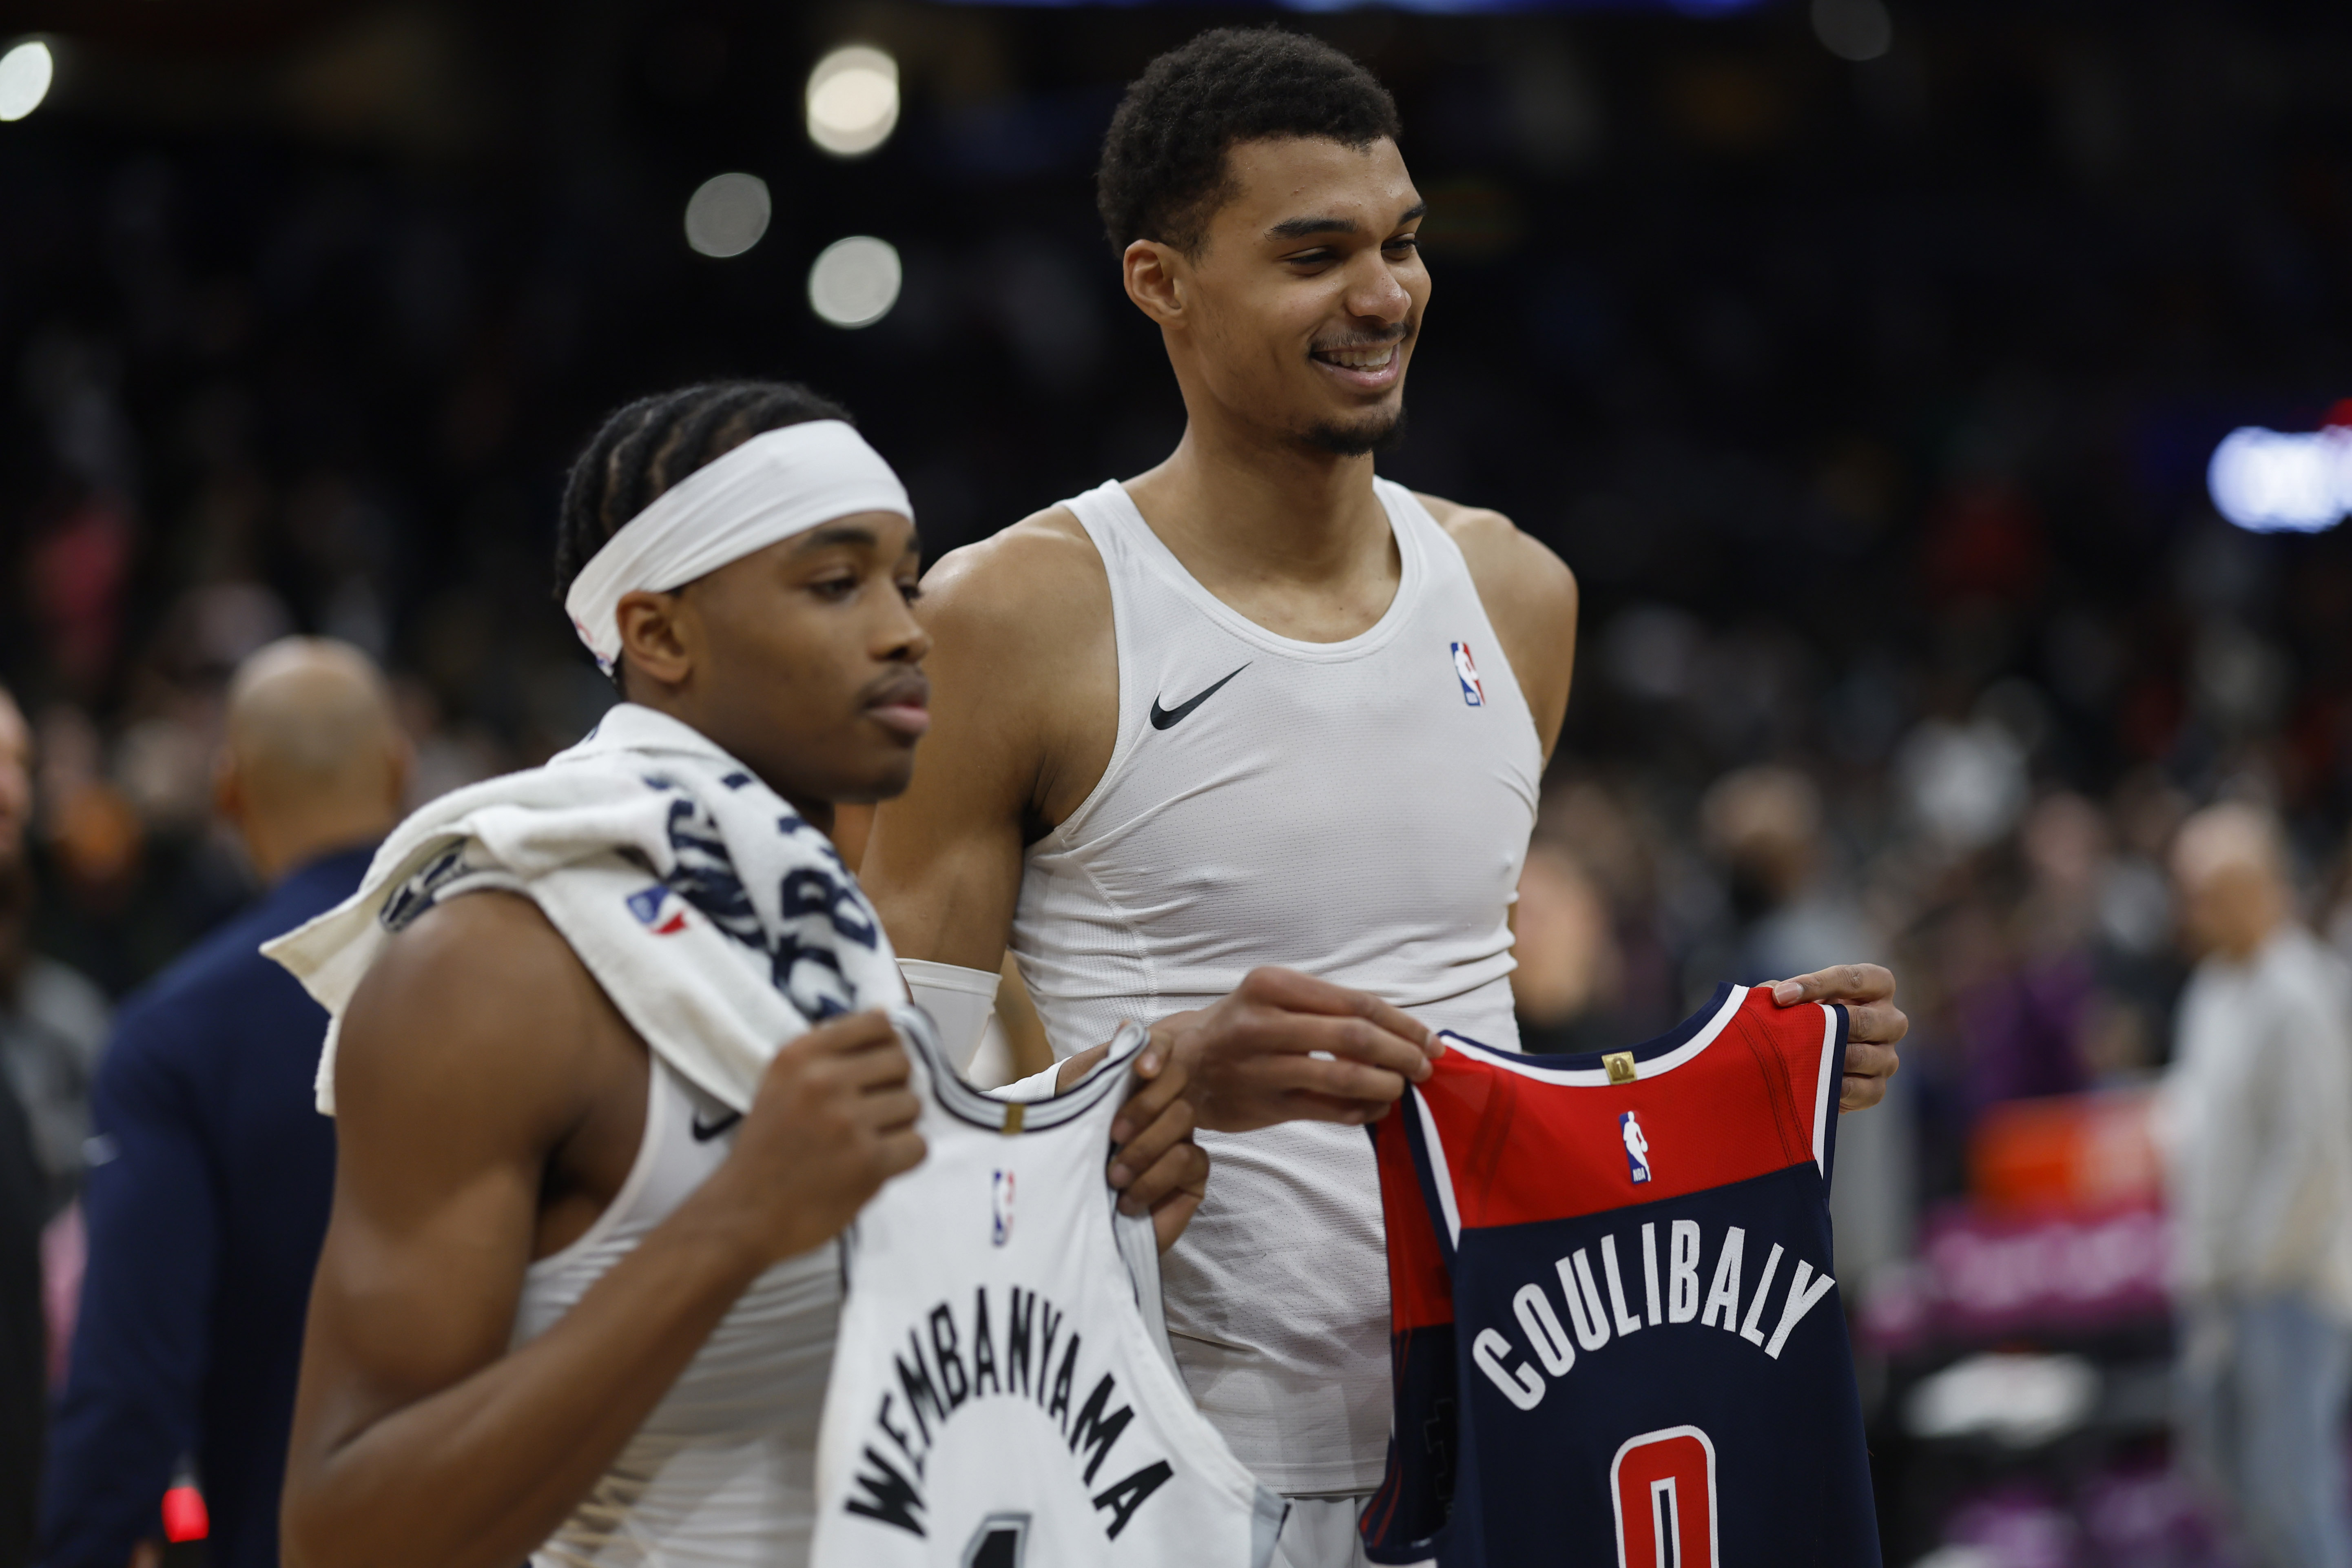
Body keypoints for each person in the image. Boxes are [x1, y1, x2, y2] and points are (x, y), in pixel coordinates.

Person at [859, 28, 1908, 1567]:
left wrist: (1738, 1082)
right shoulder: (1010, 617)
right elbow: (885, 1126)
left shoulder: (1515, 592)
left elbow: (1469, 1035)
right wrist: (1150, 1082)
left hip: (1513, 1435)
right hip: (1168, 1464)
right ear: (1159, 283)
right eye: (1314, 255)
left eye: (1401, 242)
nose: (1383, 294)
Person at [269, 382, 1205, 1568]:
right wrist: (731, 1227)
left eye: (904, 581)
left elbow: (859, 1379)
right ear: (660, 636)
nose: (906, 631)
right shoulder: (494, 964)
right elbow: (344, 1533)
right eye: (837, 584)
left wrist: (1079, 1198)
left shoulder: (833, 934)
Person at [35, 640, 407, 1568]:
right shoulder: (532, 983)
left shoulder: (175, 1037)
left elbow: (132, 1378)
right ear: (401, 770)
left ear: (228, 791)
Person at [2164, 801, 2352, 1568]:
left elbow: (2312, 1154)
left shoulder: (2297, 990)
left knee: (2290, 1500)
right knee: (2231, 1490)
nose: (2196, 911)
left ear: (2260, 887)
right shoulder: (2211, 988)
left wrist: (2249, 1265)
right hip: (2219, 1285)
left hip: (2286, 1289)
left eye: (2211, 893)